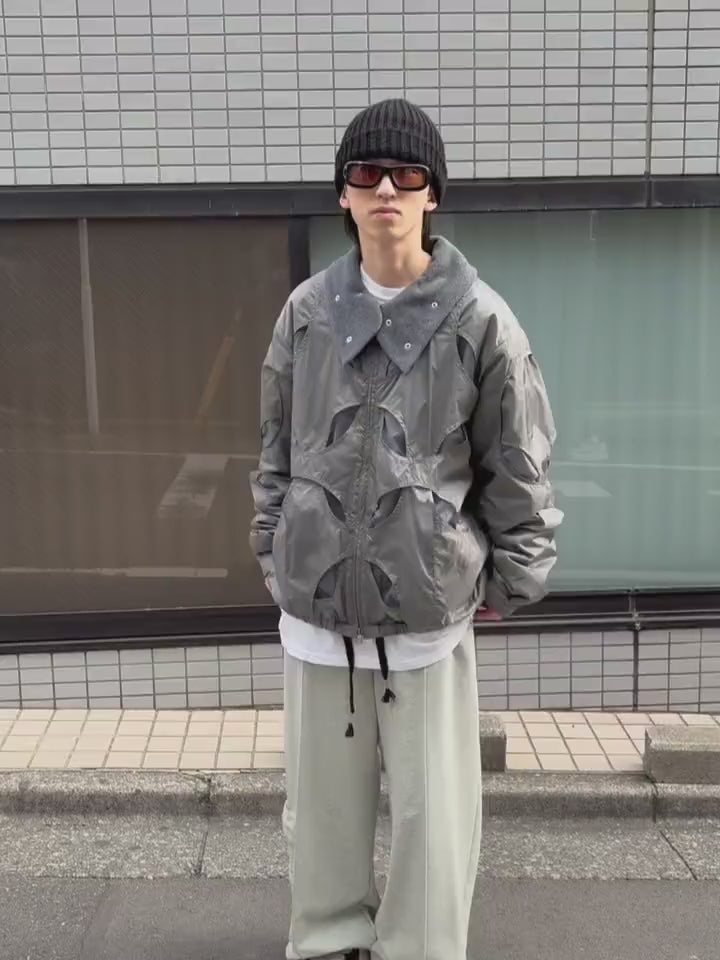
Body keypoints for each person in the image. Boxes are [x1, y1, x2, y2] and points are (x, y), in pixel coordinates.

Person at [249, 98, 563, 960]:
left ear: (433, 194)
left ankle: (420, 948)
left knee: (435, 819)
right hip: (316, 620)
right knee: (320, 814)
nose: (385, 188)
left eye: (406, 173)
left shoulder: (481, 319)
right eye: (366, 173)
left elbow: (518, 461)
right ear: (343, 194)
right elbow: (275, 447)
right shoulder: (305, 314)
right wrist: (275, 546)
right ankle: (327, 940)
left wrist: (510, 579)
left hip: (425, 622)